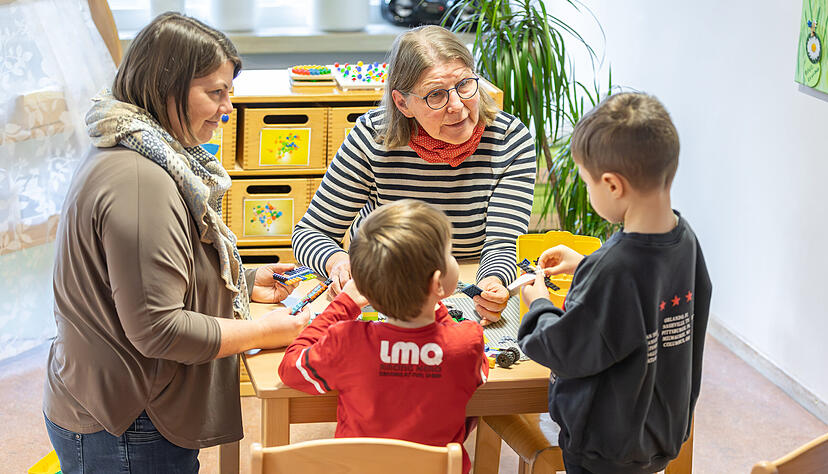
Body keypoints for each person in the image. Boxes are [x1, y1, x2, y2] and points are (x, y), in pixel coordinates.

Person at [42, 13, 309, 473]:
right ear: (166, 88)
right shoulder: (142, 183)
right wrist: (271, 331)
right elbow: (158, 329)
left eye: (230, 91)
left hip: (115, 403)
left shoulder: (138, 148)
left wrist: (241, 282)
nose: (229, 108)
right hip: (128, 420)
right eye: (215, 92)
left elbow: (140, 278)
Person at [517, 93, 712, 474]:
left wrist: (539, 302)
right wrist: (588, 265)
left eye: (588, 182)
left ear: (611, 184)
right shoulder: (684, 238)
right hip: (659, 430)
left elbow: (563, 349)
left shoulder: (613, 268)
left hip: (604, 446)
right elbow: (649, 289)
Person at [292, 25, 536, 325]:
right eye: (436, 95)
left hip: (464, 290)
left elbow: (503, 243)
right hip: (387, 291)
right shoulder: (373, 137)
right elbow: (310, 233)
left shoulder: (509, 139)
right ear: (402, 103)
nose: (457, 106)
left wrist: (493, 283)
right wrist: (339, 263)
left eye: (464, 85)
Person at [279, 199, 489, 474]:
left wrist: (344, 303)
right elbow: (477, 373)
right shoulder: (467, 342)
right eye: (450, 253)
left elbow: (290, 368)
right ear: (437, 284)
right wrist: (435, 308)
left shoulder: (348, 341)